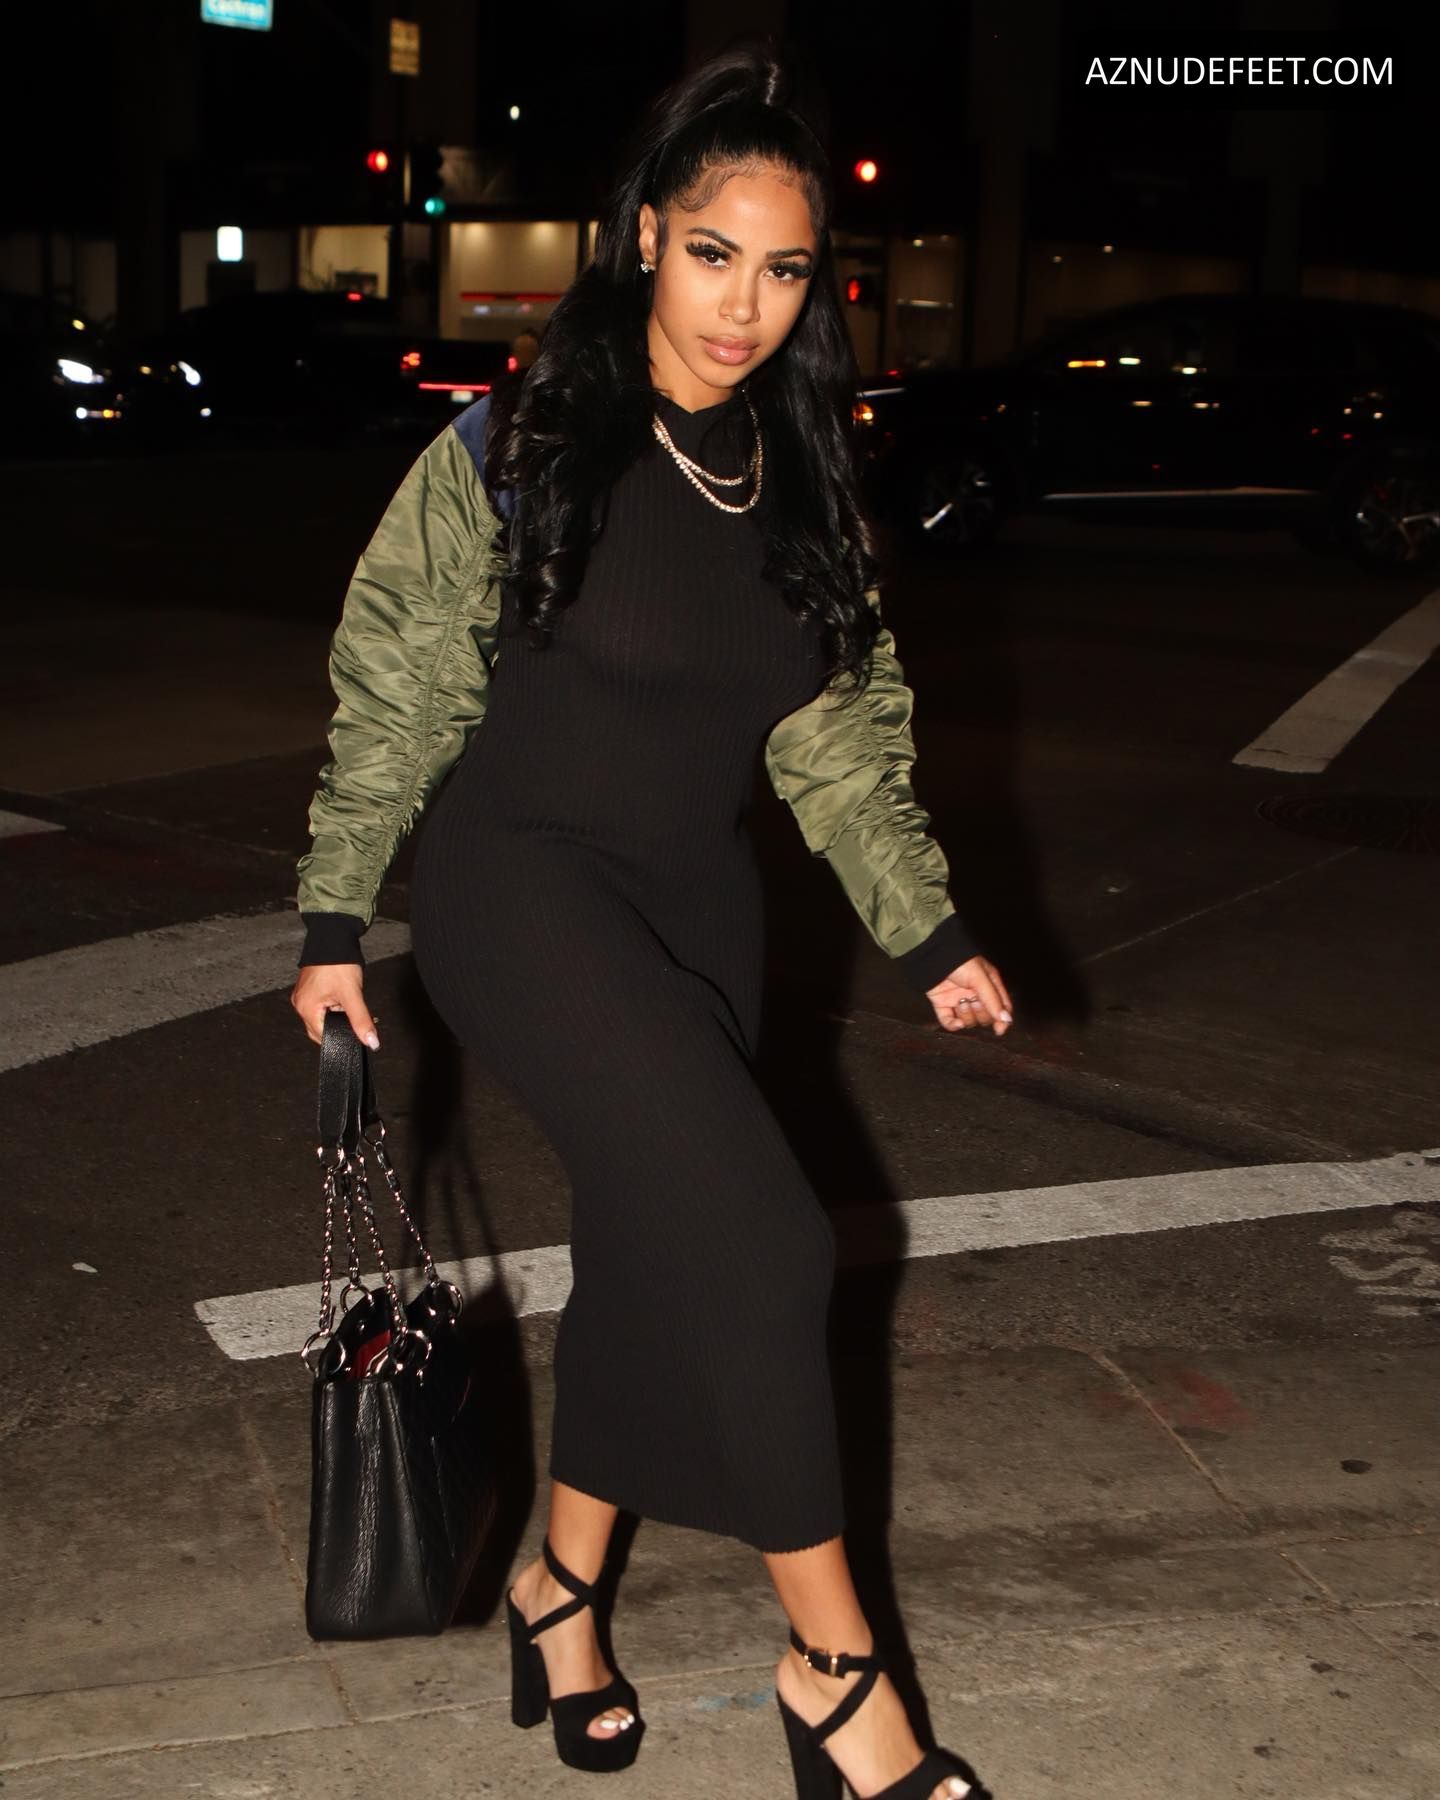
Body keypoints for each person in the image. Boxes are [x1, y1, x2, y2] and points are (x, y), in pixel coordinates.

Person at [290, 40, 1010, 1800]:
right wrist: (332, 914)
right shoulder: (521, 446)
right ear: (641, 240)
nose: (745, 306)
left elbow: (843, 746)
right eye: (712, 254)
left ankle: (559, 1591)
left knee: (645, 1265)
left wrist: (930, 934)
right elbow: (396, 681)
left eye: (785, 271)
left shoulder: (804, 481)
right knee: (765, 1244)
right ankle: (838, 1672)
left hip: (699, 912)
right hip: (520, 890)